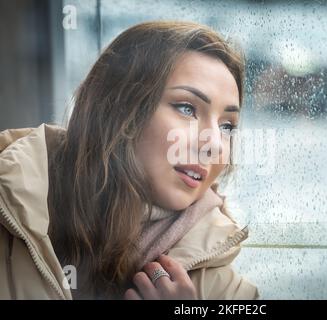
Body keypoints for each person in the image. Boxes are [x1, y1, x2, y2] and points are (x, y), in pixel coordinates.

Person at [0, 21, 259, 300]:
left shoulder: (225, 290)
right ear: (120, 110)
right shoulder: (11, 211)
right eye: (187, 108)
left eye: (227, 126)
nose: (214, 145)